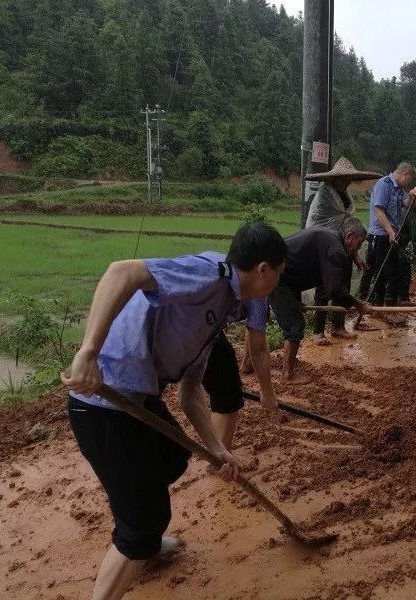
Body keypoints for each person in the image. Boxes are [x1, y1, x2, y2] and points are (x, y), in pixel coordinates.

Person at [60, 222, 286, 600]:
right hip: (105, 400)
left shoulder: (225, 304)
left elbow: (191, 390)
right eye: (279, 275)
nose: (277, 284)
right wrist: (88, 352)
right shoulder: (210, 275)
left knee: (173, 454)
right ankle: (138, 538)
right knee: (146, 521)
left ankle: (138, 531)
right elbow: (123, 271)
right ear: (263, 270)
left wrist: (215, 447)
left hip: (139, 398)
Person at [268, 218, 371, 384]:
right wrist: (357, 304)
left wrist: (294, 301)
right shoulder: (335, 250)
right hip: (277, 276)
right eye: (359, 244)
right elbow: (334, 290)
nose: (358, 249)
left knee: (259, 317)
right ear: (350, 236)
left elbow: (300, 267)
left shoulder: (331, 238)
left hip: (286, 275)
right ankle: (287, 375)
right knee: (295, 325)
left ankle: (248, 365)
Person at [304, 157, 380, 345]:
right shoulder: (325, 196)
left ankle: (338, 327)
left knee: (342, 288)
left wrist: (355, 256)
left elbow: (349, 228)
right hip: (324, 248)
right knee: (324, 288)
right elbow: (322, 224)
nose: (347, 182)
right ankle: (318, 331)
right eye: (344, 178)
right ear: (335, 179)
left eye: (349, 179)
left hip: (344, 247)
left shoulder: (345, 196)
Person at [363, 162, 416, 306]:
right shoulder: (384, 184)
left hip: (391, 235)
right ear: (405, 174)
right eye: (409, 180)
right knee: (387, 274)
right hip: (381, 235)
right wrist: (390, 232)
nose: (409, 184)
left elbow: (406, 204)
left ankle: (382, 307)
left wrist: (412, 195)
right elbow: (379, 211)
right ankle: (385, 307)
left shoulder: (399, 189)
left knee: (388, 273)